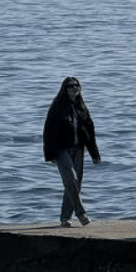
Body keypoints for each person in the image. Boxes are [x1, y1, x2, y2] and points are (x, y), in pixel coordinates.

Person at [43, 76, 101, 227]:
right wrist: (50, 154)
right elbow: (48, 131)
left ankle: (65, 219)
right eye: (71, 86)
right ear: (65, 88)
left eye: (77, 85)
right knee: (71, 179)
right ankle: (81, 213)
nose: (75, 88)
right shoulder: (57, 106)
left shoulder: (81, 106)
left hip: (79, 149)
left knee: (75, 184)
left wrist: (94, 153)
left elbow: (90, 130)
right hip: (62, 150)